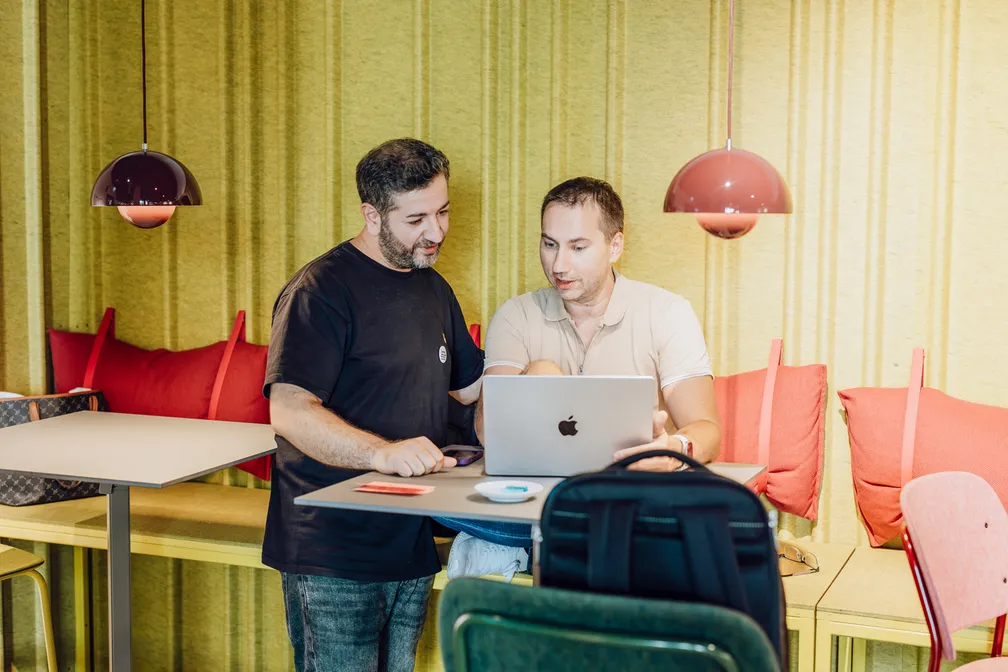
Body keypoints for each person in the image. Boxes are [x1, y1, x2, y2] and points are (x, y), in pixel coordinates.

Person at [262, 138, 484, 672]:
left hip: (409, 536)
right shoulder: (320, 290)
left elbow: (474, 388)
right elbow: (290, 411)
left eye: (443, 211)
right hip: (334, 547)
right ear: (371, 214)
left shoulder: (433, 288)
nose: (436, 231)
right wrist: (382, 454)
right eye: (416, 219)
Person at [440, 176, 722, 578]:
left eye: (578, 247)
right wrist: (541, 376)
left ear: (615, 246)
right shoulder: (517, 314)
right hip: (532, 503)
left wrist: (672, 448)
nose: (559, 265)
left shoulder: (667, 312)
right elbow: (489, 431)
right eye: (550, 244)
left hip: (625, 502)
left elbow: (707, 429)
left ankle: (513, 551)